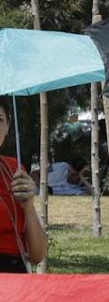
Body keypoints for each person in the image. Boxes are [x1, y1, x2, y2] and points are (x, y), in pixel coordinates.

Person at [0, 102, 47, 272]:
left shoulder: (14, 169)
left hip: (16, 277)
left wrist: (28, 206)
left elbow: (37, 255)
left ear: (8, 126)